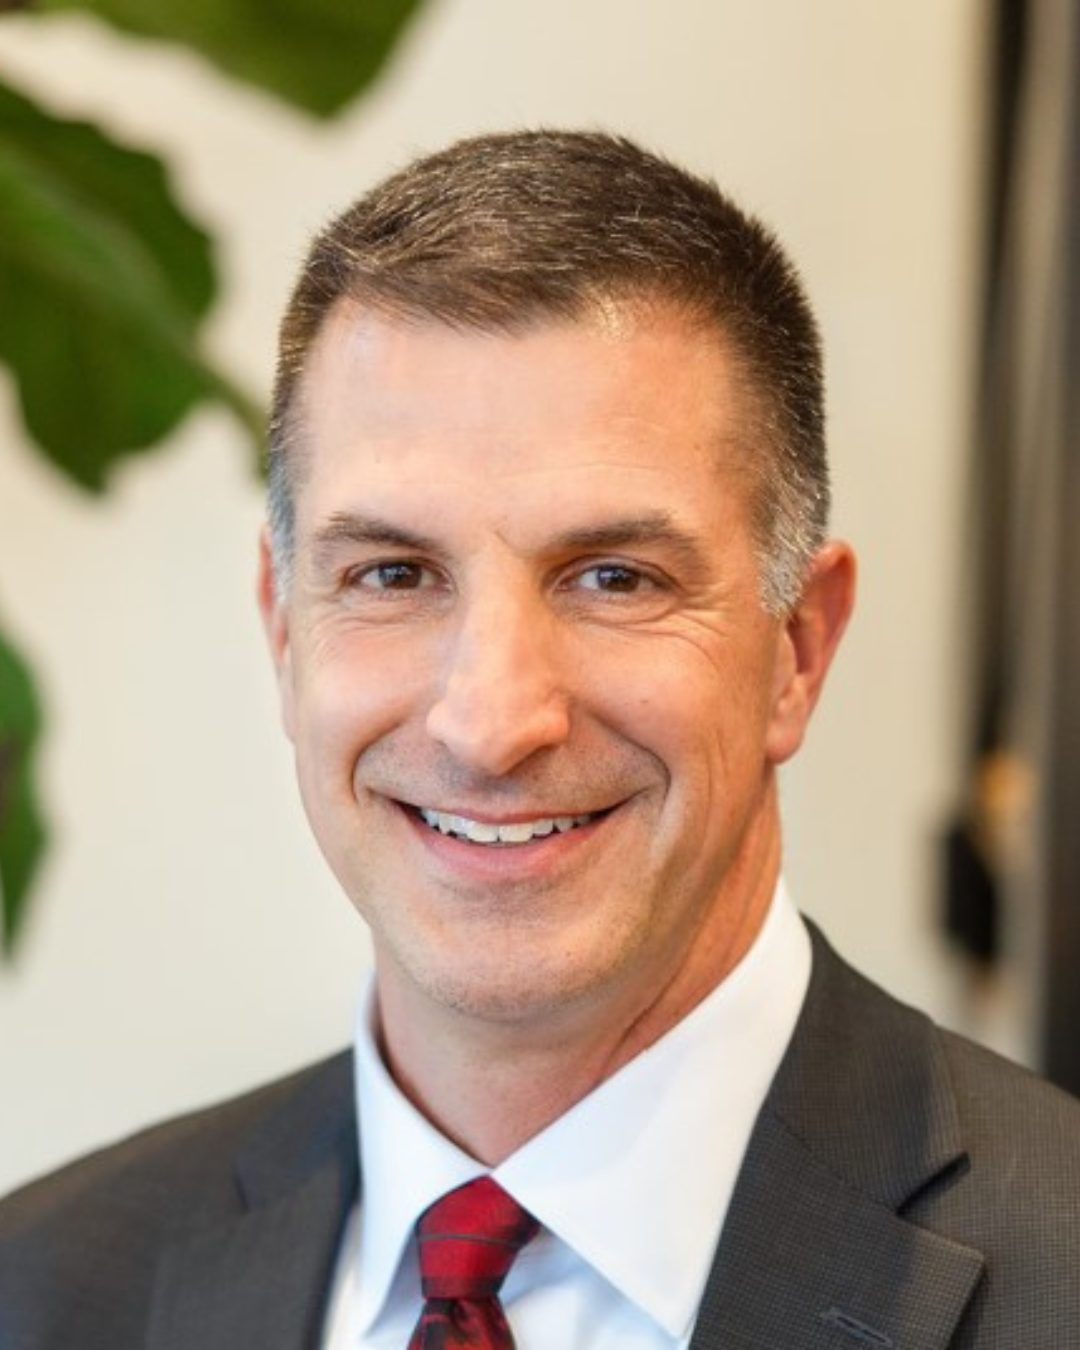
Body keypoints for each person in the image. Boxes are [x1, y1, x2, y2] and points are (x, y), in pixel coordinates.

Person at [1, 129, 1077, 1350]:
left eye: (614, 577)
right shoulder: (42, 1293)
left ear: (797, 648)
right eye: (394, 573)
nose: (491, 724)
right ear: (285, 630)